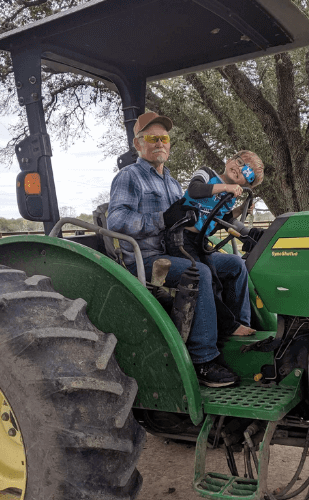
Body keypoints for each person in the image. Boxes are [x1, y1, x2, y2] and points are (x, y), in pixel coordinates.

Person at [107, 112, 263, 388]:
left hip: (175, 250)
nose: (160, 143)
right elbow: (116, 221)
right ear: (138, 144)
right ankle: (203, 359)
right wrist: (161, 220)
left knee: (234, 265)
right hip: (146, 261)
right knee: (199, 272)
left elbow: (198, 215)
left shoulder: (170, 181)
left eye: (164, 138)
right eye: (152, 138)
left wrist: (248, 232)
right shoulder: (129, 177)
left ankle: (236, 332)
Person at [165, 152, 265, 339]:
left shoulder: (230, 198)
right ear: (229, 161)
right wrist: (226, 187)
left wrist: (238, 210)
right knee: (203, 278)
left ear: (246, 184)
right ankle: (229, 327)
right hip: (180, 238)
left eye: (247, 173)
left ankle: (240, 322)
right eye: (240, 162)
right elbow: (195, 190)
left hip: (199, 241)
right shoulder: (205, 173)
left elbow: (218, 221)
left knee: (217, 280)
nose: (240, 169)